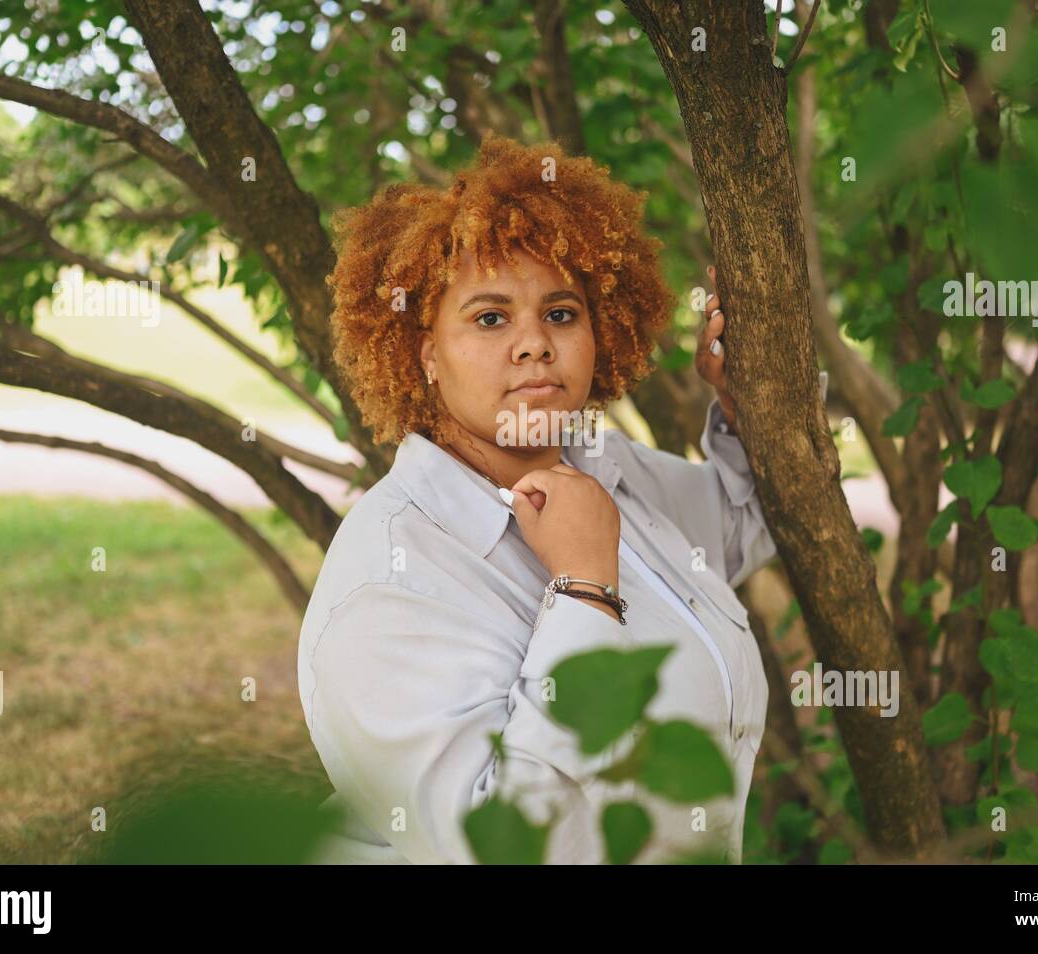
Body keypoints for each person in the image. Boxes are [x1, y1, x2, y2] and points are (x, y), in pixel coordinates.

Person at [298, 133, 815, 864]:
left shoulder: (602, 467)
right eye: (490, 318)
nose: (535, 343)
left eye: (562, 313)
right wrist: (583, 590)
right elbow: (509, 847)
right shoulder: (384, 585)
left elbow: (742, 524)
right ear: (425, 353)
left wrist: (744, 403)